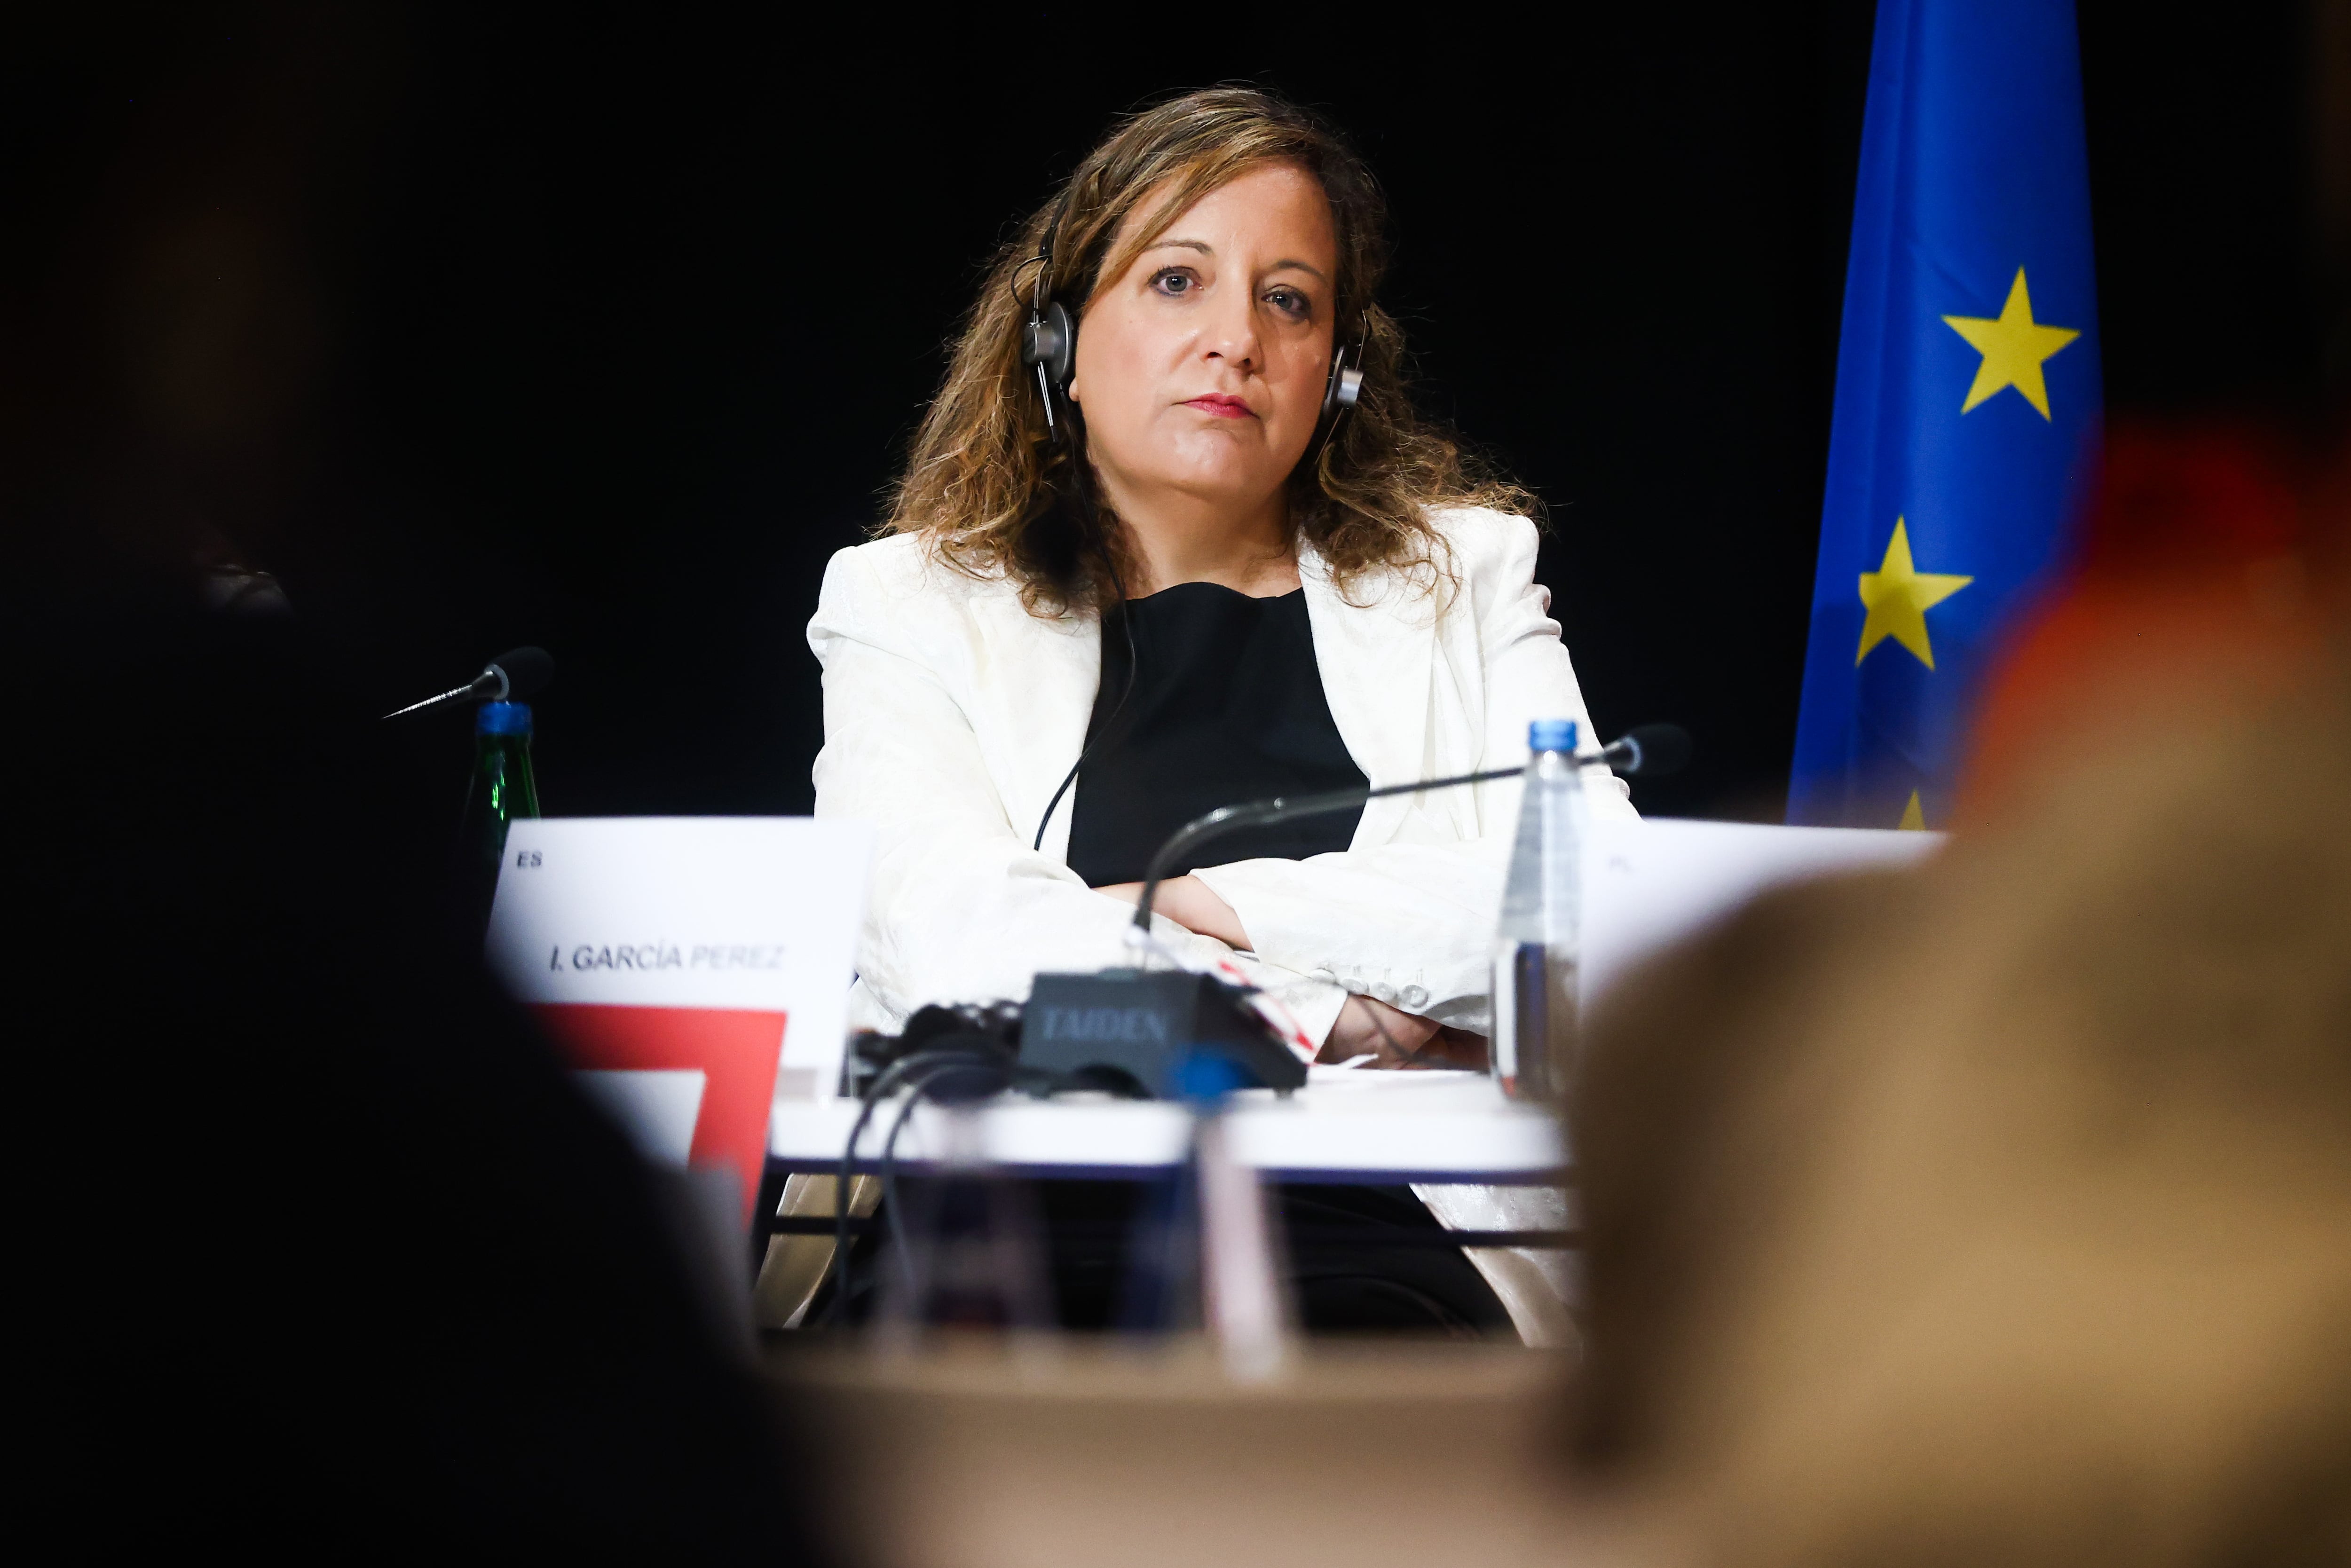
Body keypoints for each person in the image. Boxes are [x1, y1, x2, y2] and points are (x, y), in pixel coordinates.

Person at [798, 88, 1630, 1338]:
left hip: (1373, 1232)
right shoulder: (904, 604)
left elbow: (1592, 909)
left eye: (1287, 298)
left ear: (1336, 371)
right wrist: (1331, 1015)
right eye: (1178, 281)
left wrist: (1207, 905)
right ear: (1060, 345)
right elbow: (954, 954)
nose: (1236, 339)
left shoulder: (1469, 579)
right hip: (1002, 1214)